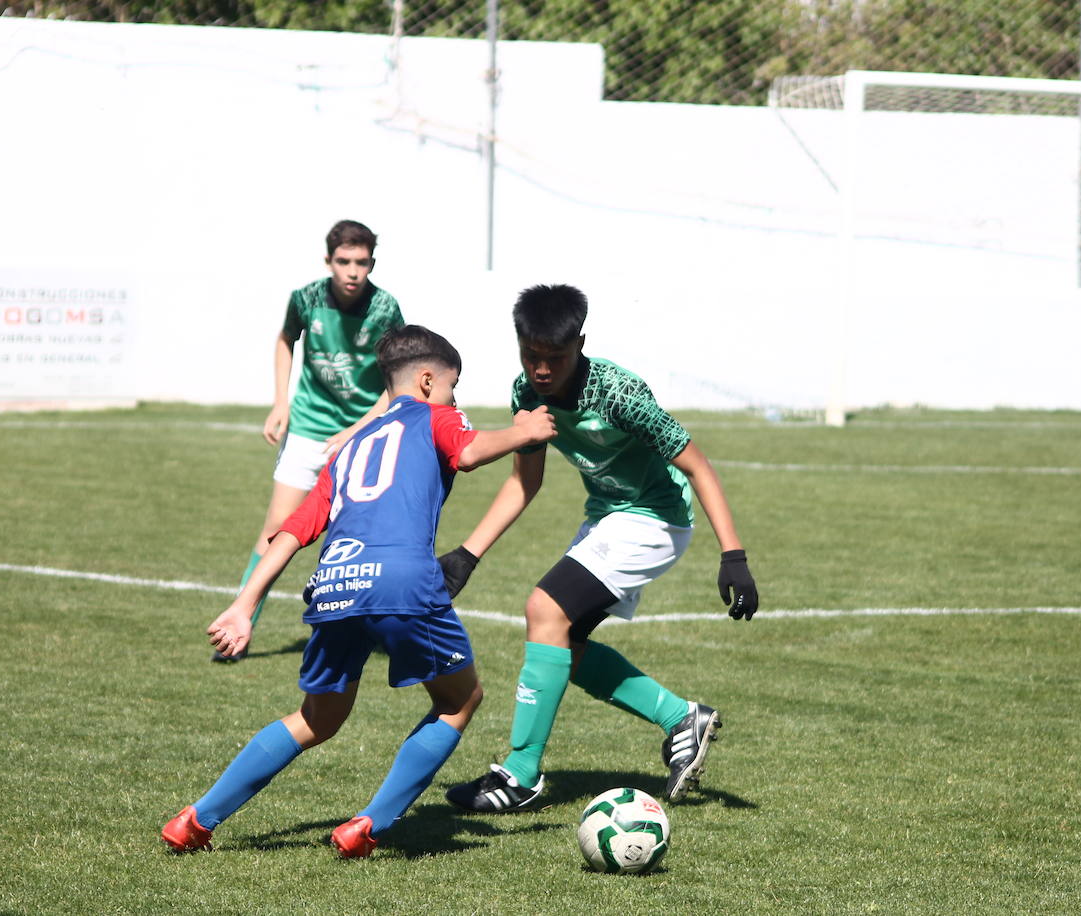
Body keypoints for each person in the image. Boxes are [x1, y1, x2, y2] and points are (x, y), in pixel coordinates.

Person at [163, 325, 557, 856]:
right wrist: (524, 431)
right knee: (459, 699)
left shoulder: (348, 449)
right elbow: (468, 453)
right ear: (426, 381)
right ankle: (367, 826)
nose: (454, 399)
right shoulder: (436, 415)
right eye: (452, 386)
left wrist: (243, 605)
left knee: (315, 718)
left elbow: (292, 531)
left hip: (333, 584)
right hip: (401, 581)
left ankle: (195, 819)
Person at [438, 284, 759, 813]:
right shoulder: (526, 392)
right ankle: (682, 718)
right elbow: (525, 483)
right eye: (531, 356)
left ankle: (520, 774)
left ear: (580, 344)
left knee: (544, 609)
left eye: (555, 358)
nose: (542, 370)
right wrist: (467, 554)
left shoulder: (618, 394)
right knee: (563, 643)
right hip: (607, 516)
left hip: (656, 517)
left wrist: (734, 556)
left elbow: (697, 466)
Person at [215, 219, 404, 662]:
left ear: (372, 263)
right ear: (328, 261)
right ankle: (237, 626)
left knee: (367, 540)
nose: (353, 271)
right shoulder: (306, 299)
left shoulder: (385, 309)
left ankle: (380, 633)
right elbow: (286, 340)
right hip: (307, 429)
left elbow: (399, 377)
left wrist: (358, 429)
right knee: (275, 530)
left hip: (363, 435)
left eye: (362, 262)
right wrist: (281, 402)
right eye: (344, 261)